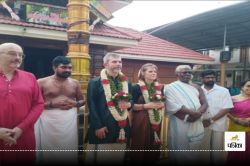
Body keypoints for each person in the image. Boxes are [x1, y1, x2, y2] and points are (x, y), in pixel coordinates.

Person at [35, 56, 84, 164]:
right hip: (48, 119)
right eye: (64, 67)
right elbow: (35, 103)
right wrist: (52, 104)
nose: (68, 70)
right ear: (54, 68)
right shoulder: (41, 82)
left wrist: (75, 103)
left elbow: (82, 101)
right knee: (48, 147)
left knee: (68, 146)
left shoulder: (75, 83)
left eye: (70, 68)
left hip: (68, 120)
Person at [0, 43, 44, 164]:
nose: (18, 58)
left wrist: (21, 128)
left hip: (24, 136)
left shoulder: (30, 77)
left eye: (20, 55)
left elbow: (39, 104)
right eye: (12, 53)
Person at [86, 52, 132, 165]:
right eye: (114, 62)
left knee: (118, 155)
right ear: (105, 64)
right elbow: (92, 105)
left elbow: (131, 100)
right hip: (103, 126)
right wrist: (98, 126)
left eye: (120, 62)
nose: (118, 64)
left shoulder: (126, 82)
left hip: (121, 125)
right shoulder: (95, 82)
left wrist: (129, 104)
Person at [164, 65, 208, 164]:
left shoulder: (196, 87)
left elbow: (204, 103)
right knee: (180, 144)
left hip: (197, 120)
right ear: (177, 74)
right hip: (180, 120)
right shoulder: (170, 87)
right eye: (184, 72)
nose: (187, 74)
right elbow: (171, 105)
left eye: (189, 72)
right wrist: (192, 114)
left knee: (194, 146)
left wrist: (198, 114)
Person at [129, 63, 165, 164]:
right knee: (140, 143)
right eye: (150, 71)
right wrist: (146, 106)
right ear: (143, 73)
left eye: (155, 71)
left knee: (153, 143)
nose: (153, 73)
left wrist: (162, 104)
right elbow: (131, 106)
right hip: (141, 120)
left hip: (156, 119)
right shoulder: (136, 87)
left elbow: (162, 102)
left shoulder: (159, 88)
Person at [200, 70, 233, 164]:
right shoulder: (198, 91)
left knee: (218, 151)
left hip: (219, 124)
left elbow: (227, 108)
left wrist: (211, 120)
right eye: (207, 77)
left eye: (212, 77)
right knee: (203, 150)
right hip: (202, 124)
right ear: (202, 79)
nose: (210, 79)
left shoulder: (223, 91)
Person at [227, 79, 250, 164]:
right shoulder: (232, 99)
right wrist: (236, 120)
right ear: (242, 87)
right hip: (235, 127)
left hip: (248, 126)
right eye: (248, 86)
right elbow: (226, 111)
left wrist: (248, 120)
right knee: (234, 151)